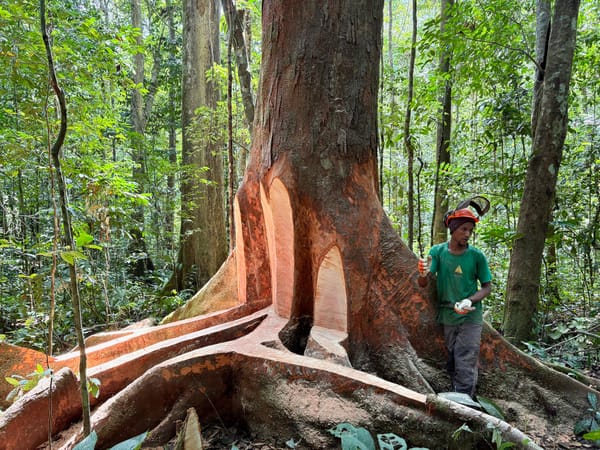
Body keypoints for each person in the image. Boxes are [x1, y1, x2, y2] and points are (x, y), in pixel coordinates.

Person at [418, 207, 492, 398]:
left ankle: (465, 402)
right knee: (451, 358)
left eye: (470, 230)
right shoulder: (438, 252)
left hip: (470, 315)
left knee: (465, 357)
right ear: (453, 229)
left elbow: (486, 287)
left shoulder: (476, 256)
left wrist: (469, 300)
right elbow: (424, 282)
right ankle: (456, 397)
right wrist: (422, 273)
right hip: (447, 314)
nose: (467, 234)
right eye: (463, 229)